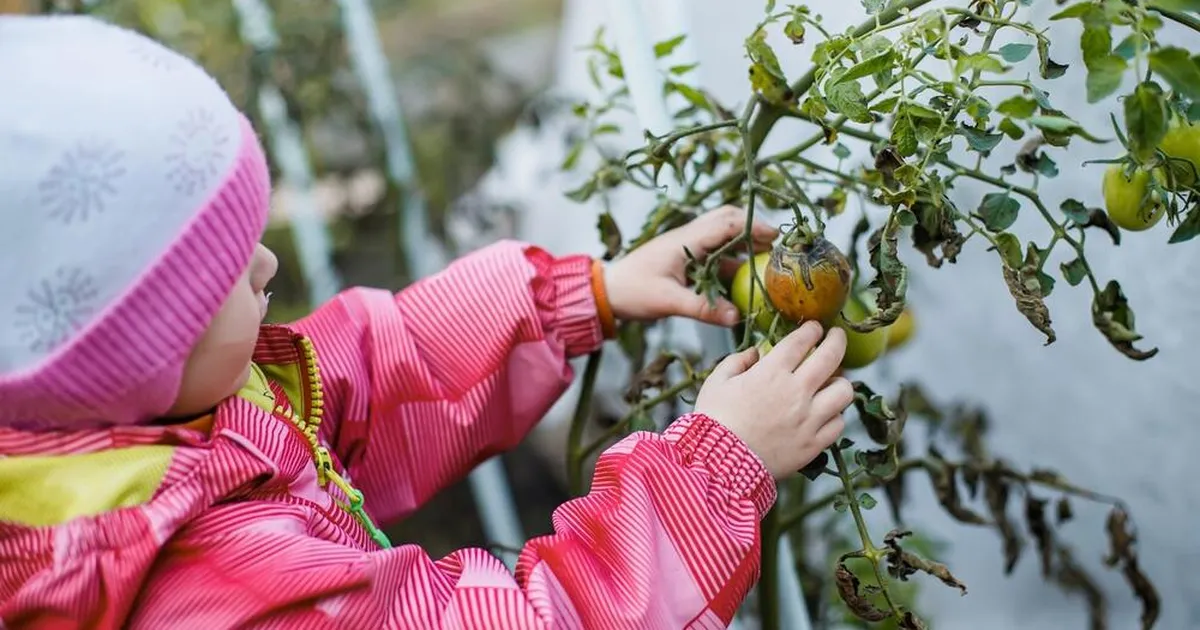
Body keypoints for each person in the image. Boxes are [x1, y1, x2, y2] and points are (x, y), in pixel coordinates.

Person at [0, 15, 852, 629]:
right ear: (127, 355)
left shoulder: (156, 424)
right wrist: (715, 469)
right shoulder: (217, 587)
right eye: (222, 270)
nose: (266, 264)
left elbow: (379, 368)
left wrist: (576, 296)